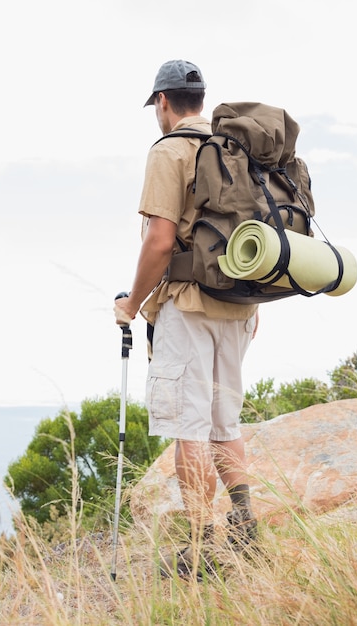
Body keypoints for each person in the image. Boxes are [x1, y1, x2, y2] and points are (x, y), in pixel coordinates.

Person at [114, 59, 259, 578]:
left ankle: (201, 550)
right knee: (226, 421)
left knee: (189, 427)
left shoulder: (171, 150)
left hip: (189, 306)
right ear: (200, 99)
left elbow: (158, 239)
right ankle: (246, 531)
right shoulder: (233, 150)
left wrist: (131, 304)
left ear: (163, 102)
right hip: (241, 305)